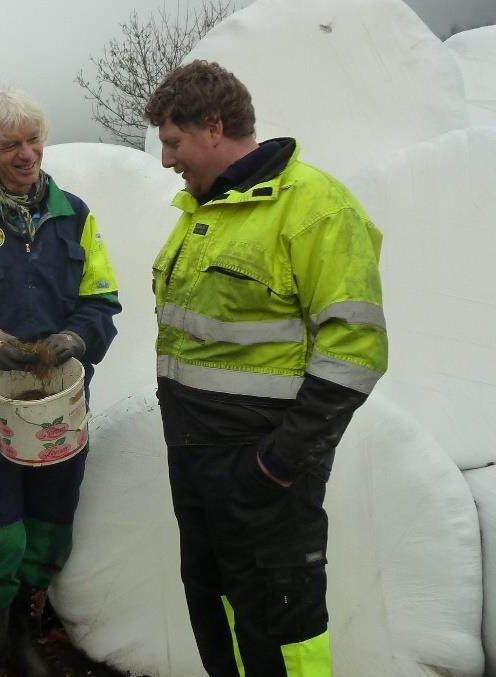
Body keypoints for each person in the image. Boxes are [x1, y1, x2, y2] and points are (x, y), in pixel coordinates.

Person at [145, 61, 388, 676]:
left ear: (214, 127)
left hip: (265, 467)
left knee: (283, 622)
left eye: (174, 143)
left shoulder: (314, 208)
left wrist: (278, 463)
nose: (168, 161)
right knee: (215, 604)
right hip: (197, 458)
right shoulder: (201, 213)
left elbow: (355, 349)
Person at [0, 88, 121, 676]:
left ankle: (27, 631)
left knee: (51, 518)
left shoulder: (75, 215)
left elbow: (102, 300)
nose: (25, 153)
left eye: (32, 140)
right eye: (10, 144)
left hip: (59, 398)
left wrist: (78, 339)